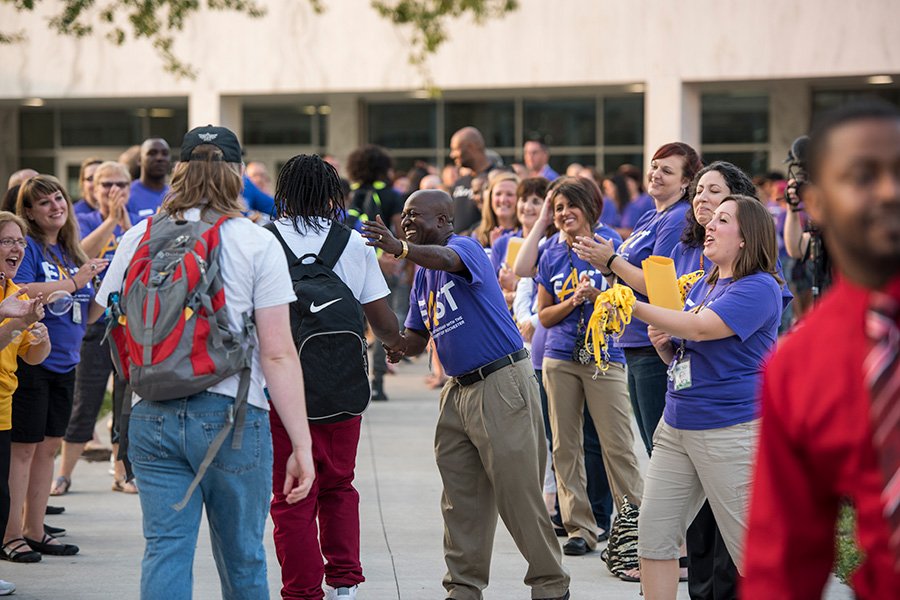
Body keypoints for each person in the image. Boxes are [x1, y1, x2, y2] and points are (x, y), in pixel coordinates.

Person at [94, 125, 315, 599]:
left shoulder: (140, 234)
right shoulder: (255, 242)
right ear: (237, 173)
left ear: (179, 171)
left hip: (150, 411)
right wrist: (302, 444)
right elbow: (277, 352)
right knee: (241, 554)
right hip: (232, 414)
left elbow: (104, 311)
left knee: (165, 549)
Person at [361, 190, 571, 600]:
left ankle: (550, 587)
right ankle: (463, 589)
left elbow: (446, 261)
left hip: (500, 383)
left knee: (518, 496)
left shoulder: (465, 248)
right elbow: (416, 339)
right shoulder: (422, 275)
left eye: (413, 215)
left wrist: (401, 248)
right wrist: (383, 325)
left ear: (442, 220)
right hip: (457, 392)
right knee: (461, 500)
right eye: (402, 216)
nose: (404, 221)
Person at [580, 196, 782, 599]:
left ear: (746, 238)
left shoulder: (759, 286)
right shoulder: (707, 282)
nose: (709, 224)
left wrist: (631, 304)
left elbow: (702, 329)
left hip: (729, 430)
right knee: (654, 537)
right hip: (677, 424)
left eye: (723, 220)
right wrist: (665, 350)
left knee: (750, 551)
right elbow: (691, 350)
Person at [743, 102, 900, 599]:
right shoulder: (799, 367)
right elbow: (783, 564)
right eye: (862, 176)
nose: (891, 191)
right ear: (819, 201)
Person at [267, 153, 405, 600]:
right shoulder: (353, 243)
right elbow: (383, 321)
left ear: (283, 193)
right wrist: (394, 345)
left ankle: (302, 592)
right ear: (333, 195)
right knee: (339, 484)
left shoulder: (261, 240)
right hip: (342, 386)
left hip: (279, 392)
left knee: (291, 496)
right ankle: (345, 582)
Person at [536, 177, 644, 562]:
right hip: (560, 356)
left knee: (617, 444)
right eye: (559, 208)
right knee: (565, 446)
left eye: (571, 205)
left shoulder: (611, 243)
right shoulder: (550, 250)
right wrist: (572, 300)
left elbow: (627, 300)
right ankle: (580, 528)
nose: (564, 214)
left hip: (606, 356)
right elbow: (544, 316)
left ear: (589, 206)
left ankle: (632, 527)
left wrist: (598, 296)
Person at [575, 143, 702, 456]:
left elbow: (657, 284)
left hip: (652, 342)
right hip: (632, 339)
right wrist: (605, 268)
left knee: (660, 448)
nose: (656, 174)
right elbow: (624, 279)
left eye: (667, 171)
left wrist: (612, 259)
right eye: (655, 166)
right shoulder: (649, 216)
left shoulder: (676, 218)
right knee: (652, 443)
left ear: (686, 182)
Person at [5, 175, 109, 560]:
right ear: (28, 211)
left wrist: (106, 290)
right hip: (33, 359)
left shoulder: (68, 250)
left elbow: (89, 312)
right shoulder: (28, 247)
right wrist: (73, 281)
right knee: (24, 451)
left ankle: (34, 529)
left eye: (59, 198)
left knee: (48, 449)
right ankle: (10, 533)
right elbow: (21, 290)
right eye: (44, 202)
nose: (55, 206)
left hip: (67, 360)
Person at [51, 161, 134, 498]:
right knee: (86, 399)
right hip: (93, 323)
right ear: (94, 188)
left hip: (128, 323)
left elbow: (139, 253)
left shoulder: (137, 223)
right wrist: (112, 219)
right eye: (107, 185)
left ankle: (121, 471)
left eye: (121, 185)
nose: (114, 191)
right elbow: (80, 253)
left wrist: (124, 220)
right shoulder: (83, 219)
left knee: (125, 402)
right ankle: (64, 473)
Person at [0, 211, 52, 578]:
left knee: (1, 499)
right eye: (7, 240)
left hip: (4, 409)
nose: (17, 248)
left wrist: (40, 341)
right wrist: (15, 320)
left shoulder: (15, 293)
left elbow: (29, 355)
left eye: (20, 241)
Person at [346, 144, 405, 402]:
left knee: (355, 325)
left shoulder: (353, 194)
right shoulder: (393, 195)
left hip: (353, 264)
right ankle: (379, 383)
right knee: (383, 322)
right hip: (384, 263)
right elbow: (399, 231)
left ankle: (354, 377)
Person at [449, 127, 503, 234]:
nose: (452, 155)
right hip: (456, 248)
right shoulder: (459, 183)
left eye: (455, 149)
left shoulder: (500, 179)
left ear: (471, 147)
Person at [472, 171, 521, 251]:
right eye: (498, 194)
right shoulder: (478, 236)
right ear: (490, 198)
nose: (503, 200)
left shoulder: (526, 234)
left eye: (509, 194)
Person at [128, 138, 171, 223]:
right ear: (139, 160)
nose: (159, 158)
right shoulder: (127, 195)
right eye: (152, 153)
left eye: (165, 153)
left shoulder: (177, 195)